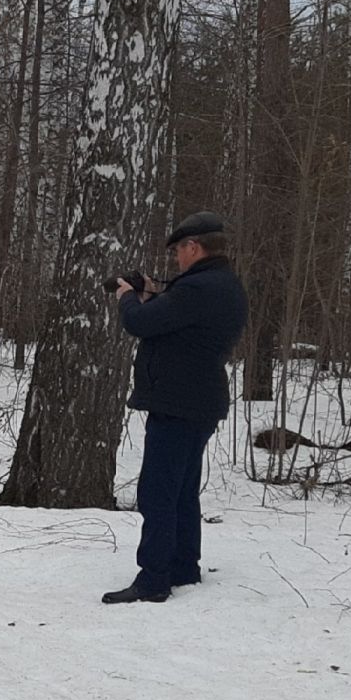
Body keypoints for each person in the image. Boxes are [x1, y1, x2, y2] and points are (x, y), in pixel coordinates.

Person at [102, 211, 249, 605]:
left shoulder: (198, 288)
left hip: (179, 403)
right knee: (182, 489)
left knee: (159, 491)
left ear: (193, 247)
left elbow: (141, 323)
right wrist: (155, 298)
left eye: (178, 252)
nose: (176, 261)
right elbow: (178, 325)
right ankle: (184, 565)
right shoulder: (224, 285)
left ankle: (153, 579)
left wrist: (129, 297)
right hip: (199, 400)